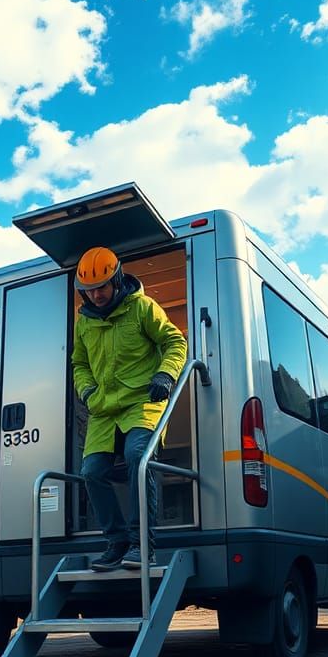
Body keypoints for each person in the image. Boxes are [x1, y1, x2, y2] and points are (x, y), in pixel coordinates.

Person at [72, 245, 187, 571]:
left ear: (117, 280)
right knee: (91, 472)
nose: (96, 295)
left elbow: (175, 341)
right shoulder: (83, 323)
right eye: (89, 290)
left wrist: (165, 374)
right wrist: (87, 390)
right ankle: (117, 541)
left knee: (138, 456)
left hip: (142, 402)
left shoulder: (142, 308)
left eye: (102, 287)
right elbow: (79, 363)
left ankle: (142, 544)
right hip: (103, 409)